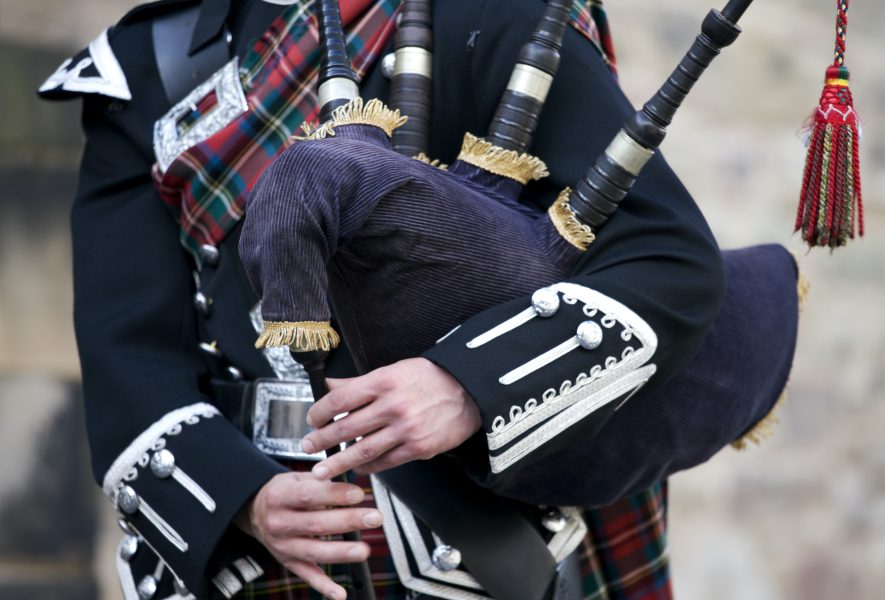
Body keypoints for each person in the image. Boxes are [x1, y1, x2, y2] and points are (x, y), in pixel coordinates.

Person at [39, 0, 726, 598]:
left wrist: (465, 385)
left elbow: (666, 261)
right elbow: (124, 342)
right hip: (251, 552)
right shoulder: (148, 64)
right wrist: (241, 497)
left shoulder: (500, 17)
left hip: (485, 536)